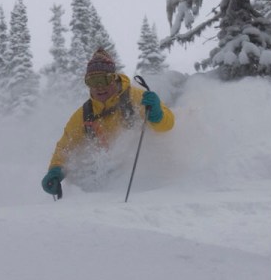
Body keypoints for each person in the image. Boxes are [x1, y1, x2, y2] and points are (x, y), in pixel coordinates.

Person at [42, 47, 175, 196]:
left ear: (114, 78)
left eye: (104, 79)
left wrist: (158, 115)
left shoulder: (137, 98)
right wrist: (55, 169)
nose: (99, 87)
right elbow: (65, 147)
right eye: (93, 81)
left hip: (142, 182)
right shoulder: (84, 115)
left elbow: (168, 126)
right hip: (102, 181)